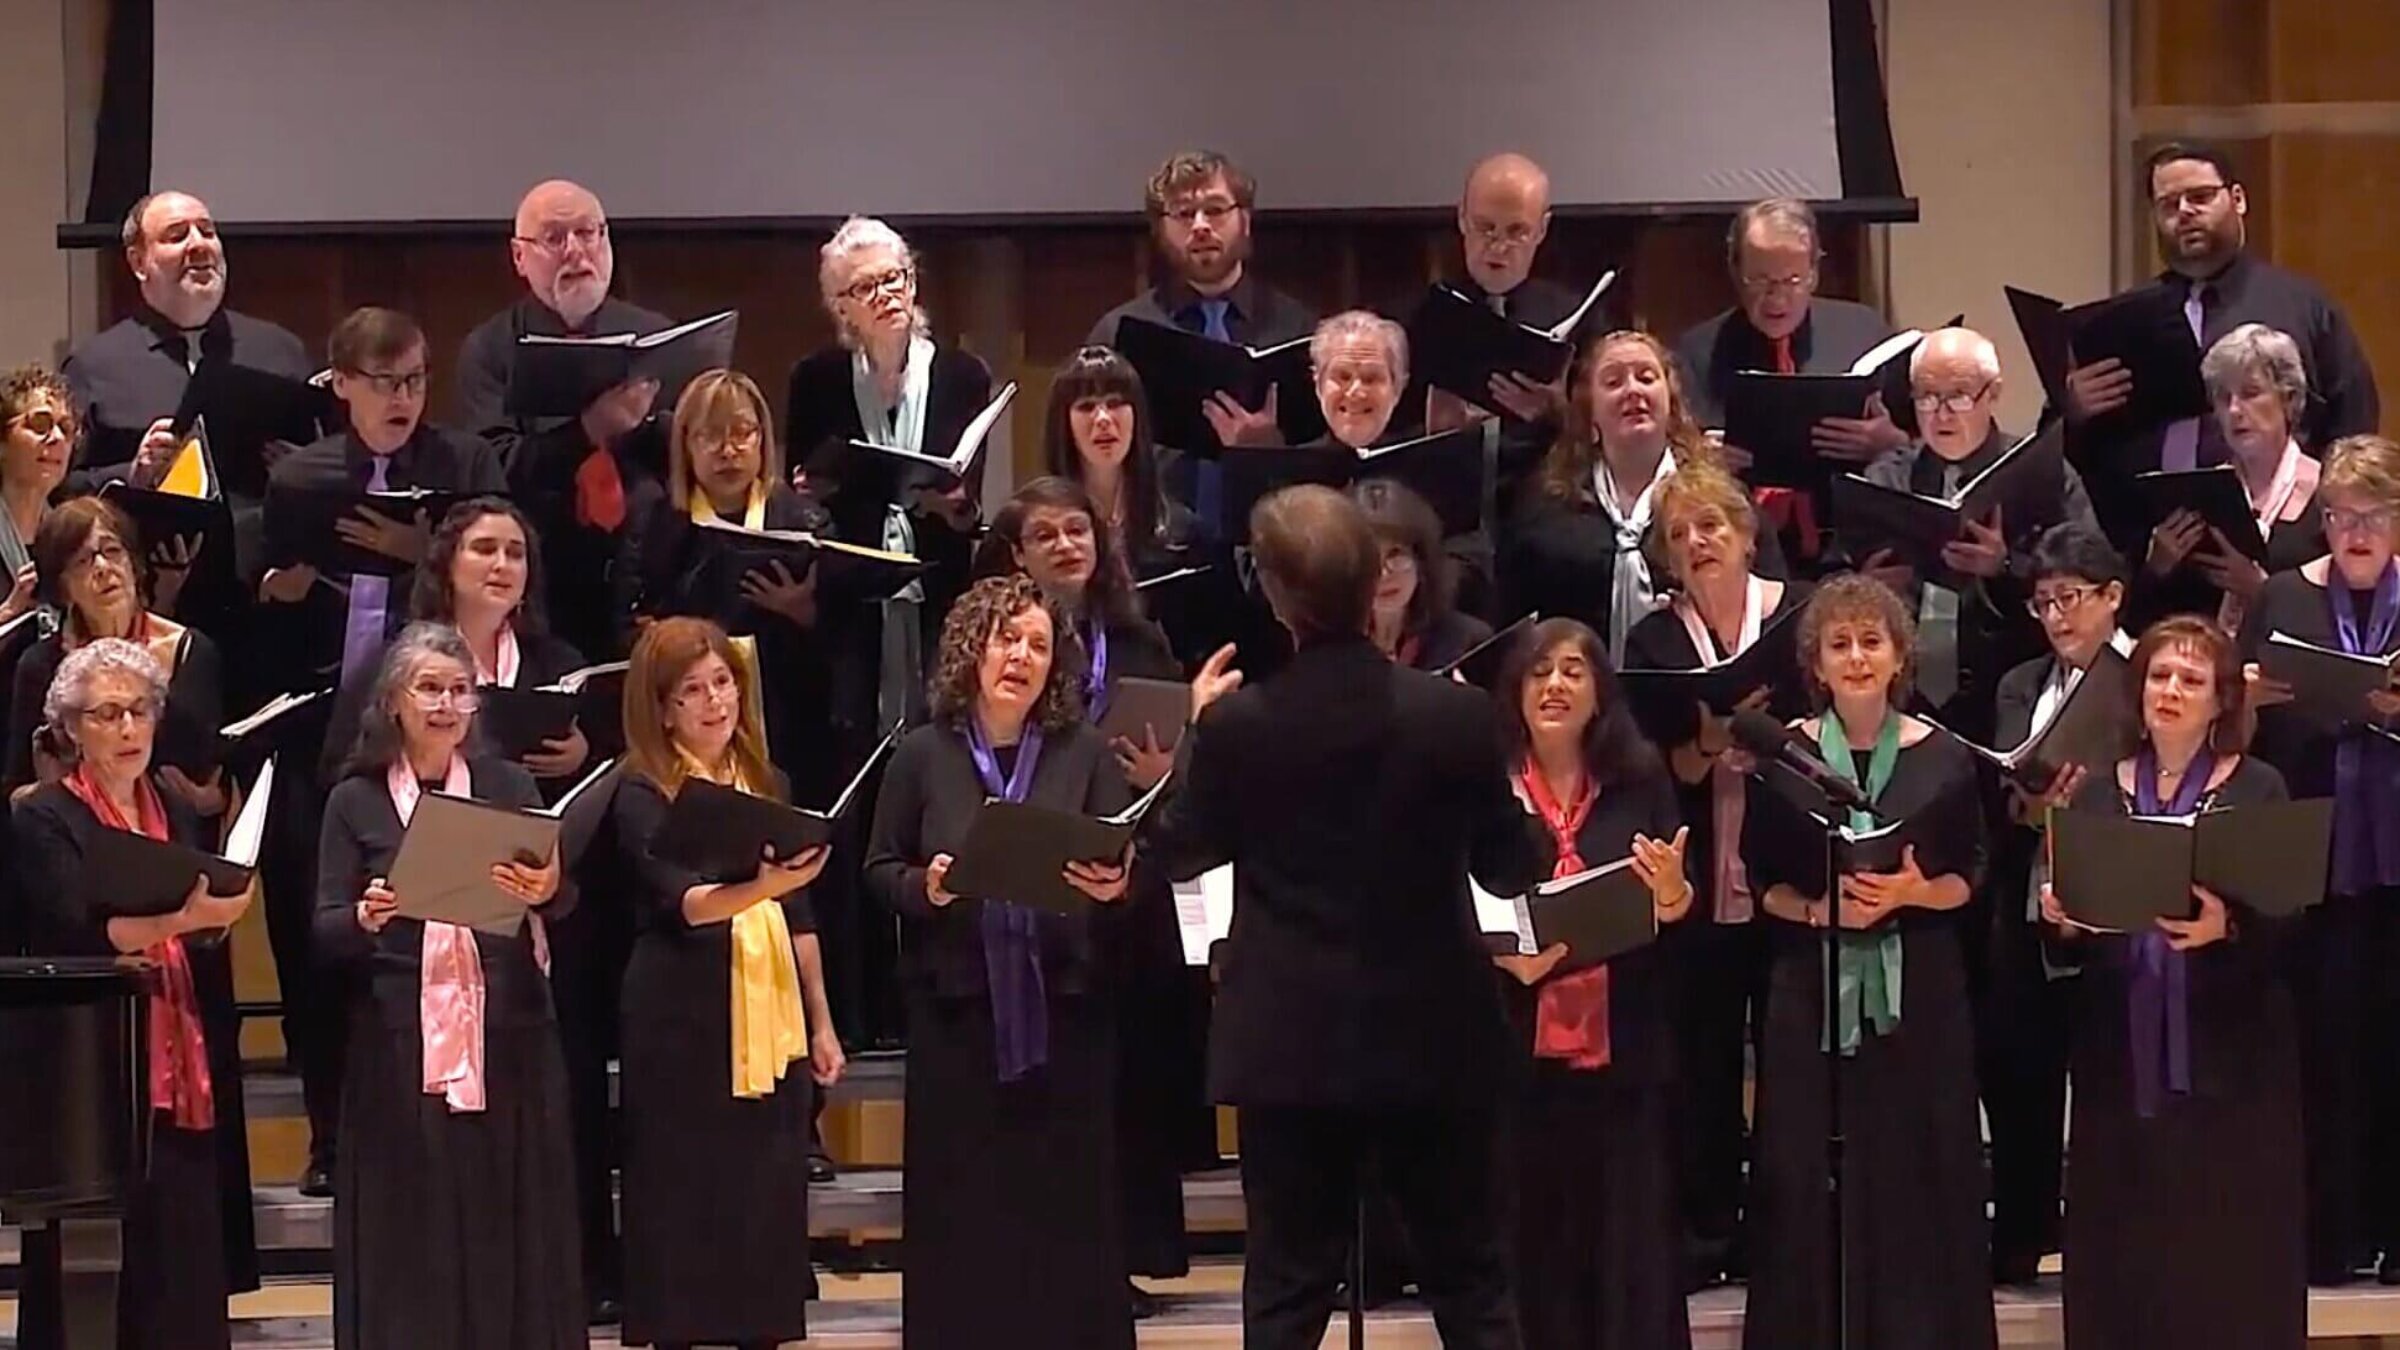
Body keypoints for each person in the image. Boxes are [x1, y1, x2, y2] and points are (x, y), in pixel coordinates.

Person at [1150, 485, 1548, 1350]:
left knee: (1287, 1295)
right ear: (1375, 584)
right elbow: (1511, 864)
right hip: (1434, 1036)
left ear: (1275, 595)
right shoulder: (1456, 715)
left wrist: (1190, 740)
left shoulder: (1239, 727)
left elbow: (1177, 852)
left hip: (1290, 1042)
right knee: (1473, 1285)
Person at [863, 574, 1164, 1349]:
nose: (1022, 656)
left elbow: (1129, 868)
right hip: (958, 1012)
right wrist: (923, 889)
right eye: (1008, 639)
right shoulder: (922, 754)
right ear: (972, 648)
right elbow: (878, 869)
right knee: (963, 1204)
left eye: (1038, 644)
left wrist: (1118, 881)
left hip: (1066, 1009)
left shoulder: (1084, 753)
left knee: (1068, 1206)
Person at [263, 305, 506, 1190]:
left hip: (437, 729)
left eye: (414, 380)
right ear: (342, 387)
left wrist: (419, 556)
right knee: (319, 933)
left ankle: (446, 1115)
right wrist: (277, 593)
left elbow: (501, 569)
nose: (403, 398)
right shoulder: (300, 476)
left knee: (446, 924)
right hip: (325, 737)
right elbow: (261, 619)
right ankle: (331, 1138)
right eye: (384, 383)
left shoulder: (463, 464)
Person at [1739, 573, 1995, 1350]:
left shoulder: (1945, 757)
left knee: (1919, 1169)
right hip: (1809, 989)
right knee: (1800, 1171)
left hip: (1918, 989)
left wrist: (1913, 892)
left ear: (1899, 657)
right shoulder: (1785, 754)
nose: (1856, 657)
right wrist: (1823, 910)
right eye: (1840, 644)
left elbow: (1972, 876)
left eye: (1871, 642)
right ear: (1816, 662)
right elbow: (1762, 886)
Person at [313, 622, 582, 1349]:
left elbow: (557, 899)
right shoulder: (356, 799)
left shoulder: (508, 784)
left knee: (506, 1203)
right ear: (393, 702)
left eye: (459, 691)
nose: (445, 704)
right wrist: (367, 917)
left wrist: (549, 885)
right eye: (428, 688)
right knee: (418, 1208)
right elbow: (325, 927)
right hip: (399, 1035)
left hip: (509, 1027)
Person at [2041, 616, 2304, 1345]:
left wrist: (2230, 929)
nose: (2171, 690)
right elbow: (2069, 941)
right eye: (2160, 675)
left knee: (2226, 1250)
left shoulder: (2259, 787)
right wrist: (2060, 916)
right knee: (2125, 1245)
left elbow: (2289, 923)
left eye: (2191, 680)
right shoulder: (2096, 794)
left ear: (2221, 700)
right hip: (2119, 1061)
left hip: (2231, 1056)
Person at [987, 477, 1216, 1308]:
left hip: (1126, 883)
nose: (1064, 546)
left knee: (1130, 1084)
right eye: (1043, 534)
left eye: (1076, 530)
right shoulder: (998, 645)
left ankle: (1123, 1259)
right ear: (1016, 554)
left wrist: (1171, 764)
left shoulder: (1140, 640)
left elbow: (1187, 769)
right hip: (1033, 886)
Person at [11, 639, 254, 1350]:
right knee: (94, 1282)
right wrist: (181, 920)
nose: (126, 730)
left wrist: (212, 921)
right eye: (106, 714)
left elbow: (196, 922)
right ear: (70, 729)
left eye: (139, 712)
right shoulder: (46, 815)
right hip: (93, 1073)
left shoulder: (175, 812)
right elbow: (69, 929)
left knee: (181, 1263)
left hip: (183, 1054)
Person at [610, 616, 844, 1350]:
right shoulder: (642, 791)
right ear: (662, 707)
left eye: (722, 684)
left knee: (764, 1189)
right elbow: (683, 904)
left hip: (768, 1005)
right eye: (692, 691)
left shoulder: (766, 781)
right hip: (680, 1011)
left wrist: (822, 1021)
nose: (714, 703)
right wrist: (767, 882)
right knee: (681, 1188)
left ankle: (761, 1328)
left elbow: (799, 915)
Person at [1620, 460, 1815, 1288]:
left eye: (1711, 527)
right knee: (1699, 1061)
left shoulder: (1799, 615)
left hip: (1784, 867)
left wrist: (1773, 736)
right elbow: (1649, 763)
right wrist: (1701, 746)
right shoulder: (1655, 640)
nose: (1697, 543)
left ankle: (1787, 1235)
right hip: (1696, 874)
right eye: (1680, 533)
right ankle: (1705, 1230)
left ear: (1746, 534)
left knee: (1789, 1059)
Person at [1488, 616, 1694, 1349]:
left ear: (1600, 692)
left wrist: (1671, 894)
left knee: (1626, 1239)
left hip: (1623, 1046)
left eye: (1573, 670)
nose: (1555, 685)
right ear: (1515, 692)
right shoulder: (1489, 789)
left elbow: (1675, 904)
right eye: (1540, 672)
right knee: (1532, 1234)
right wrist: (1501, 956)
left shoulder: (1638, 780)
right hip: (1517, 1048)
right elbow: (1451, 895)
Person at [2238, 433, 2400, 1285]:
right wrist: (2252, 700)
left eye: (2374, 515)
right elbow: (2239, 718)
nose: (2356, 532)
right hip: (2318, 846)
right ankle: (2328, 1235)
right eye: (2340, 516)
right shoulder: (2281, 598)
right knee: (2326, 1044)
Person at [1980, 523, 2133, 1286]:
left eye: (2071, 599)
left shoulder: (2147, 677)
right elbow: (2009, 784)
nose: (2057, 618)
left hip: (2121, 901)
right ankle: (2022, 1231)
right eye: (2043, 603)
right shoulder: (2021, 684)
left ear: (2113, 597)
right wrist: (2029, 808)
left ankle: (2110, 1237)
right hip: (2034, 896)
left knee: (2112, 1081)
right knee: (2022, 1074)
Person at [2066, 143, 2379, 488]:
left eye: (2200, 197)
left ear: (2238, 199)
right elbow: (2072, 456)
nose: (2184, 212)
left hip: (2280, 526)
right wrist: (2072, 410)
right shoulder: (2122, 320)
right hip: (2150, 528)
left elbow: (2354, 427)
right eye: (2168, 204)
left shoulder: (2302, 306)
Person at [1853, 326, 2100, 745]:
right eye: (1927, 397)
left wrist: (2005, 567)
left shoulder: (2043, 471)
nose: (1942, 414)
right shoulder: (1887, 477)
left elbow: (2091, 579)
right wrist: (1864, 588)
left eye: (1960, 396)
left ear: (1993, 393)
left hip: (2012, 689)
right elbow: (1830, 585)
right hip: (1904, 695)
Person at [455, 179, 669, 659]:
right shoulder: (490, 349)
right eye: (554, 238)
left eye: (588, 233)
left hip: (647, 582)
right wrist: (590, 431)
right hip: (538, 586)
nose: (576, 252)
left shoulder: (657, 336)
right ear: (519, 256)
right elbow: (493, 469)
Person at [1504, 330, 1783, 664]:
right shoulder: (1547, 507)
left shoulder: (1720, 499)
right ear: (1590, 412)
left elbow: (1772, 601)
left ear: (1671, 403)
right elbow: (1515, 625)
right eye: (1613, 381)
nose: (1632, 390)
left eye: (1646, 377)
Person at [620, 369, 836, 792]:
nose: (728, 451)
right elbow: (625, 623)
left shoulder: (806, 522)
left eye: (743, 433)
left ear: (763, 440)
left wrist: (805, 612)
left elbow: (847, 642)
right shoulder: (655, 525)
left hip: (790, 722)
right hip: (686, 729)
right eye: (710, 437)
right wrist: (659, 640)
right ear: (685, 444)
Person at [1086, 150, 1321, 534]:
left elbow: (1329, 457)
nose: (1200, 226)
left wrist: (1271, 450)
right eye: (1182, 214)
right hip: (1155, 548)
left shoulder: (1300, 329)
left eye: (1215, 210)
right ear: (1160, 229)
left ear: (1244, 220)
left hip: (1274, 548)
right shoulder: (1120, 332)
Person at [1412, 152, 1603, 612]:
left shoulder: (1574, 317)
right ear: (1461, 220)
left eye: (1516, 231)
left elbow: (1606, 433)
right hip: (1443, 502)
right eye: (1485, 228)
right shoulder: (1417, 317)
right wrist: (1435, 428)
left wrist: (1559, 413)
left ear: (1541, 230)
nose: (1498, 247)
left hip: (1542, 500)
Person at [61, 190, 314, 489]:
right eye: (176, 235)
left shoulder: (280, 351)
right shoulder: (92, 367)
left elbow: (331, 457)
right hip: (144, 532)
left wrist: (304, 469)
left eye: (207, 231)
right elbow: (59, 486)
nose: (199, 244)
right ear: (139, 262)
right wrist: (131, 474)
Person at [7, 499, 226, 813]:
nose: (102, 568)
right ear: (63, 588)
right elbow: (15, 791)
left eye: (112, 551)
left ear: (133, 565)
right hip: (77, 837)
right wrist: (52, 792)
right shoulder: (41, 666)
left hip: (177, 838)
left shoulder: (191, 652)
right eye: (81, 561)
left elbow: (218, 776)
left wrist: (211, 801)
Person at [2138, 323, 2327, 631]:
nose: (2235, 410)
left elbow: (2339, 622)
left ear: (2288, 400)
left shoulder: (2327, 495)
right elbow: (2145, 621)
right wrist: (2158, 567)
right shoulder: (2200, 492)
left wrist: (2262, 592)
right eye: (2224, 398)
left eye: (2250, 393)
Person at [1352, 477, 1491, 669]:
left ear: (1422, 560)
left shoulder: (1467, 642)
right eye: (1370, 559)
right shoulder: (1325, 651)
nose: (1384, 573)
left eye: (1396, 554)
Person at [0, 366, 77, 626]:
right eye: (40, 424)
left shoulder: (73, 538)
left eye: (66, 428)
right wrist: (7, 614)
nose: (56, 438)